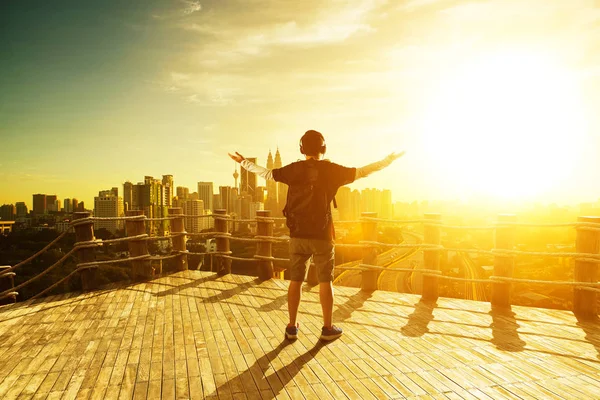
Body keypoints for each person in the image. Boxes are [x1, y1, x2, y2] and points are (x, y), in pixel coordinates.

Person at [228, 130, 404, 341]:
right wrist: (388, 160)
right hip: (322, 235)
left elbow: (266, 174)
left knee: (295, 280)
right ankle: (327, 328)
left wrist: (243, 162)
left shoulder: (293, 169)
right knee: (325, 282)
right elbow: (363, 172)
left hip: (297, 235)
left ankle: (292, 327)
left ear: (302, 150)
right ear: (323, 148)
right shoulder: (332, 170)